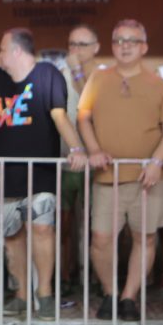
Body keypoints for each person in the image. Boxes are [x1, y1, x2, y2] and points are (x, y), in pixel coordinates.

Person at [0, 27, 86, 319]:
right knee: (12, 235)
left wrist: (76, 149)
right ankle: (21, 292)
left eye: (2, 50)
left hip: (41, 173)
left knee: (43, 228)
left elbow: (60, 116)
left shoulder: (48, 74)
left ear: (17, 51)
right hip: (4, 174)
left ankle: (45, 293)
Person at [78, 19, 163, 322]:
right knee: (100, 238)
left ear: (144, 47)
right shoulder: (97, 79)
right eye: (119, 39)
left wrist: (156, 162)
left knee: (145, 238)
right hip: (107, 176)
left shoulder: (160, 85)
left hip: (147, 178)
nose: (125, 45)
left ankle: (128, 297)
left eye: (132, 40)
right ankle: (110, 293)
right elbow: (83, 117)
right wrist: (94, 150)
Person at [57, 24, 104, 293]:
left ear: (96, 48)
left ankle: (95, 277)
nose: (75, 50)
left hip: (95, 159)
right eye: (72, 44)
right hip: (65, 159)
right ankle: (65, 276)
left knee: (93, 225)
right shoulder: (58, 72)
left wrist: (77, 71)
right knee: (64, 222)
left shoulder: (104, 74)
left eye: (82, 45)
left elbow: (93, 103)